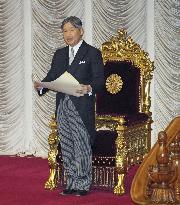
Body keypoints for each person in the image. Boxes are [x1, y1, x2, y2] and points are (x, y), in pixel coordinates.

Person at [34, 16, 104, 196]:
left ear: (81, 31)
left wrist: (89, 87)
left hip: (81, 106)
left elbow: (100, 81)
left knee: (81, 145)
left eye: (71, 30)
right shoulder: (59, 54)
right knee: (66, 144)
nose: (68, 34)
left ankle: (83, 183)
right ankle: (71, 182)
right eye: (65, 31)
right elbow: (52, 76)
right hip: (62, 106)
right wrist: (42, 85)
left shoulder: (92, 53)